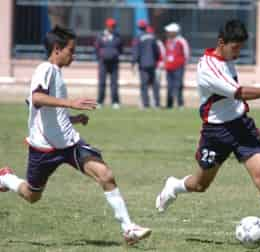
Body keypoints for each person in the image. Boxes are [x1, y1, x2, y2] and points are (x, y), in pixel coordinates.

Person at [155, 19, 260, 249]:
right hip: (216, 133)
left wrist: (243, 114)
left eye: (241, 48)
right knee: (200, 185)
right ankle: (174, 186)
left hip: (242, 127)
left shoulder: (227, 59)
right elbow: (238, 92)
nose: (238, 53)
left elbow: (237, 99)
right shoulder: (207, 67)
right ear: (221, 43)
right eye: (235, 48)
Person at [0, 25, 151, 245]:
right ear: (57, 49)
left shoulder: (56, 74)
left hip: (70, 144)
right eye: (71, 50)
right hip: (44, 148)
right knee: (32, 195)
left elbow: (49, 112)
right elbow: (37, 99)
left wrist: (72, 118)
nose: (74, 54)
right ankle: (6, 178)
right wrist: (70, 102)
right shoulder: (45, 69)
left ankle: (128, 228)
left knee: (106, 175)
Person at [94, 18, 122, 109]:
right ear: (107, 26)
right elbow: (97, 47)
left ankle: (115, 102)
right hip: (103, 63)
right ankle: (100, 102)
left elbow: (121, 48)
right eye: (111, 26)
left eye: (113, 26)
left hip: (114, 63)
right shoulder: (101, 35)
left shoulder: (117, 36)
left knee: (114, 83)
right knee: (102, 83)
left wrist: (116, 55)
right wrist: (100, 57)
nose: (112, 27)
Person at [132, 20, 160, 109]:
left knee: (144, 85)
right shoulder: (152, 37)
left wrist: (133, 62)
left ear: (139, 27)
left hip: (143, 64)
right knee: (154, 85)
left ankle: (146, 104)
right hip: (152, 63)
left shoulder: (138, 38)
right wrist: (155, 60)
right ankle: (156, 103)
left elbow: (136, 52)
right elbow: (157, 51)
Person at [164, 23, 190, 109]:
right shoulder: (168, 41)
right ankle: (169, 104)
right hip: (169, 67)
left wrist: (184, 63)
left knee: (178, 85)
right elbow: (166, 53)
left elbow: (186, 53)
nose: (167, 32)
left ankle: (180, 104)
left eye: (169, 31)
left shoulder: (181, 41)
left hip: (178, 66)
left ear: (175, 32)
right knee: (169, 86)